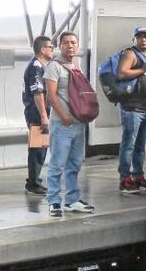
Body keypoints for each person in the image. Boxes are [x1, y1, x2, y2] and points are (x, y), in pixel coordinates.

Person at [43, 31, 95, 218]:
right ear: (59, 46)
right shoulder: (54, 66)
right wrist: (63, 116)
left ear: (78, 45)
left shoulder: (76, 66)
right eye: (66, 43)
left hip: (78, 123)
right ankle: (54, 201)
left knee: (74, 164)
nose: (70, 46)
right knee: (57, 163)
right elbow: (51, 94)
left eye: (73, 42)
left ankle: (72, 200)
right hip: (62, 124)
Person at [117, 27, 146, 195]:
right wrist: (143, 70)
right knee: (129, 145)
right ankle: (124, 179)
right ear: (134, 40)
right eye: (139, 37)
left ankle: (138, 175)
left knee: (140, 146)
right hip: (132, 108)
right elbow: (122, 73)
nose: (143, 40)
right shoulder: (130, 54)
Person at [22, 35, 53, 196]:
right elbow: (38, 93)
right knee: (37, 148)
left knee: (41, 148)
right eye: (51, 47)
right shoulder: (36, 66)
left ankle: (35, 180)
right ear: (42, 49)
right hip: (37, 113)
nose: (53, 50)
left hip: (41, 113)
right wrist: (43, 116)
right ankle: (32, 183)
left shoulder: (43, 65)